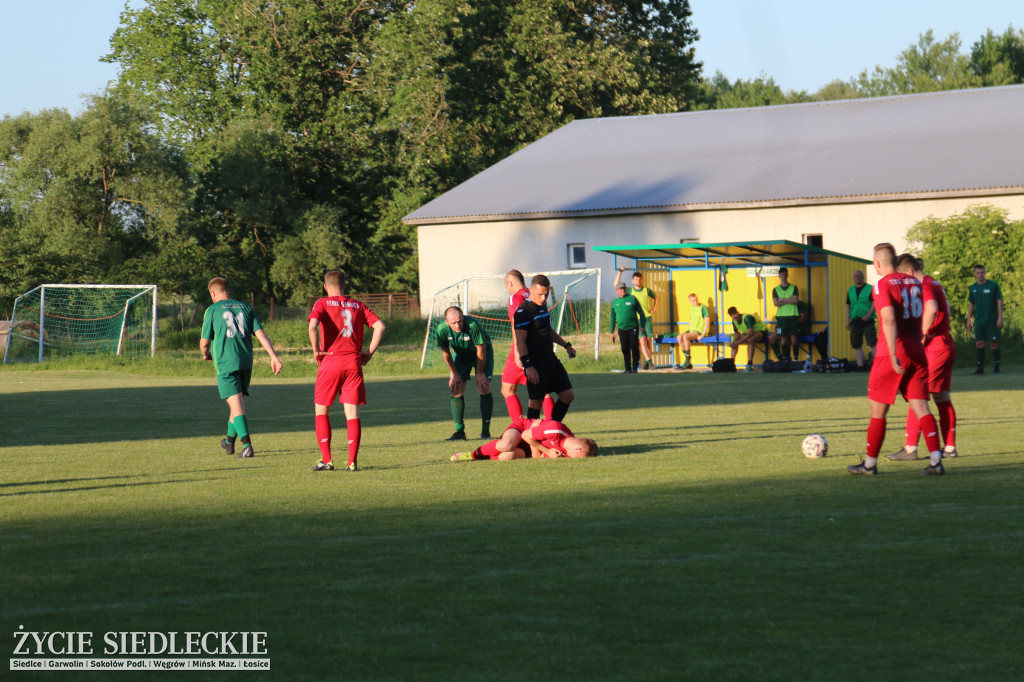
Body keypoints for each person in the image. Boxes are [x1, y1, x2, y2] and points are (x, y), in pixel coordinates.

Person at [848, 243, 945, 476]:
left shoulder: (882, 284)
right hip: (917, 350)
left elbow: (889, 320)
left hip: (893, 351)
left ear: (878, 263)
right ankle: (936, 462)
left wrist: (891, 355)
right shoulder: (914, 281)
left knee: (878, 412)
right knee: (922, 406)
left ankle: (869, 465)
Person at [308, 269, 386, 472]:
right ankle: (352, 463)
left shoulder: (322, 303)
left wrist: (316, 350)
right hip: (353, 362)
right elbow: (380, 326)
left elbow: (313, 326)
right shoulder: (357, 305)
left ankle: (327, 460)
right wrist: (369, 352)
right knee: (352, 413)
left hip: (330, 361)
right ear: (345, 285)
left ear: (325, 287)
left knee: (321, 409)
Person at [200, 277, 283, 458]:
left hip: (225, 363)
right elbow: (260, 333)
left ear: (213, 293)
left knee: (237, 406)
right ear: (228, 290)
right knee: (236, 404)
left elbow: (204, 342)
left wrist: (205, 355)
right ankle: (229, 443)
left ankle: (247, 445)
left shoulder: (212, 310)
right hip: (245, 362)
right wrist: (273, 357)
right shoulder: (245, 307)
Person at [887, 255, 959, 461]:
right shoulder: (934, 282)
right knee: (942, 398)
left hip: (935, 346)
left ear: (909, 272)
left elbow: (932, 308)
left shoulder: (924, 284)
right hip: (944, 343)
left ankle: (910, 448)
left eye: (902, 277)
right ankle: (950, 448)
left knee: (918, 397)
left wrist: (922, 334)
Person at [513, 274, 577, 421]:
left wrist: (566, 345)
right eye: (540, 294)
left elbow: (548, 330)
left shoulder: (542, 307)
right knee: (536, 402)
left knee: (568, 395)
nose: (543, 298)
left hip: (550, 359)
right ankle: (530, 438)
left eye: (546, 294)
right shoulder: (523, 311)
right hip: (535, 363)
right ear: (530, 290)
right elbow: (520, 341)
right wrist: (528, 366)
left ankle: (552, 428)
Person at [500, 270, 554, 421]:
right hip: (540, 347)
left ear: (510, 283)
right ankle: (551, 425)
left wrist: (518, 350)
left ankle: (520, 426)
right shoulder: (535, 294)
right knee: (543, 390)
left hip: (523, 346)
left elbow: (515, 323)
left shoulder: (515, 298)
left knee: (507, 389)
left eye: (507, 286)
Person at [435, 306, 494, 440]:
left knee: (483, 386)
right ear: (446, 322)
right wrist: (454, 373)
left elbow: (481, 349)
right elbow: (446, 352)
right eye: (454, 323)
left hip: (482, 355)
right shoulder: (442, 330)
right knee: (456, 388)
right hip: (462, 356)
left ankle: (485, 432)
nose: (458, 325)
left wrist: (479, 373)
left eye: (460, 321)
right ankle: (459, 432)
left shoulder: (472, 324)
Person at [451, 417, 597, 461]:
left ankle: (485, 456)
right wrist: (547, 450)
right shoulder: (556, 430)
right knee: (506, 445)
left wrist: (538, 446)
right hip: (522, 428)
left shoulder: (564, 453)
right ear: (578, 449)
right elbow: (526, 434)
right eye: (579, 457)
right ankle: (472, 455)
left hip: (529, 441)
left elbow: (535, 456)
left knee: (507, 457)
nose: (573, 459)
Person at [614, 267, 658, 370]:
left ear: (642, 280)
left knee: (648, 341)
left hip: (647, 318)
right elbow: (617, 284)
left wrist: (654, 309)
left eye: (640, 279)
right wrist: (620, 272)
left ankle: (647, 361)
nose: (638, 281)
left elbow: (656, 297)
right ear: (632, 281)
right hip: (637, 320)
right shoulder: (629, 291)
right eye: (636, 279)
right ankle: (650, 362)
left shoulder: (646, 290)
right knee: (642, 341)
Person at [967, 264, 1004, 374]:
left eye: (982, 272)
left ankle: (996, 366)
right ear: (974, 274)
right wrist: (969, 319)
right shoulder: (973, 288)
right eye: (978, 273)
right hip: (979, 321)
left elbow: (1000, 301)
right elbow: (971, 304)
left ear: (985, 273)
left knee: (993, 343)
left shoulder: (993, 286)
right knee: (979, 343)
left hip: (992, 320)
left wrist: (1000, 318)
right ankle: (980, 368)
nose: (980, 275)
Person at [609, 282, 645, 373]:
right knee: (624, 348)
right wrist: (611, 332)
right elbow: (612, 318)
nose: (623, 290)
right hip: (622, 329)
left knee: (634, 346)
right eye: (620, 289)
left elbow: (641, 312)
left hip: (633, 327)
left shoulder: (632, 299)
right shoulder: (615, 302)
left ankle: (635, 367)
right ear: (617, 291)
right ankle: (627, 368)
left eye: (624, 288)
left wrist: (642, 325)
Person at [845, 269, 877, 370]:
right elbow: (848, 306)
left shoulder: (870, 289)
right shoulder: (850, 290)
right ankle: (860, 365)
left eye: (859, 275)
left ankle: (877, 365)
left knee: (872, 343)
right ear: (853, 278)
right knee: (856, 344)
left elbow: (875, 303)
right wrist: (847, 320)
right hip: (855, 320)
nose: (857, 277)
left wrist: (868, 315)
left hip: (867, 320)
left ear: (863, 277)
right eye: (855, 275)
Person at [771, 267, 801, 362]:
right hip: (782, 318)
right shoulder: (776, 289)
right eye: (782, 275)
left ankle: (796, 359)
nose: (783, 276)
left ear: (787, 275)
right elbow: (776, 303)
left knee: (794, 339)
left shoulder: (793, 287)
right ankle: (785, 360)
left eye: (785, 274)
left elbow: (795, 300)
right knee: (783, 339)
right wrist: (789, 300)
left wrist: (782, 299)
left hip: (792, 316)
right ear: (779, 276)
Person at [727, 306, 768, 372]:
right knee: (735, 340)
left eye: (735, 314)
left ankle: (749, 363)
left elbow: (750, 333)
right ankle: (731, 363)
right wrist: (734, 342)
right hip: (749, 333)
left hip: (761, 331)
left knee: (750, 340)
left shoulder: (747, 318)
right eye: (732, 315)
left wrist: (738, 342)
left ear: (738, 312)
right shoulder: (734, 321)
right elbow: (737, 333)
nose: (734, 316)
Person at [678, 293, 710, 370]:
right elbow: (691, 321)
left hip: (700, 330)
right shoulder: (692, 308)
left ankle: (687, 360)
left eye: (696, 299)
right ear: (690, 301)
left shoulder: (703, 308)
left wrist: (702, 335)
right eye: (693, 301)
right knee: (679, 337)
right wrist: (689, 330)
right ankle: (687, 358)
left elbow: (707, 322)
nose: (695, 302)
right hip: (692, 330)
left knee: (685, 337)